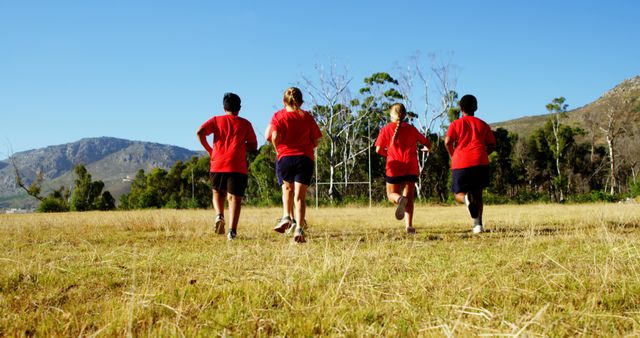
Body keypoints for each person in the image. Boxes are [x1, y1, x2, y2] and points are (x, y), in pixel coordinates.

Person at [197, 92, 258, 240]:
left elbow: (200, 132)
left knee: (217, 192)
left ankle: (219, 215)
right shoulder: (245, 124)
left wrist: (210, 150)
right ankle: (232, 231)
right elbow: (253, 146)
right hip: (237, 164)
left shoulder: (216, 120)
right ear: (239, 108)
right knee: (234, 198)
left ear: (224, 107)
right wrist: (245, 147)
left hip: (218, 162)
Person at [266, 87, 322, 243]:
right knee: (300, 197)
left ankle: (286, 216)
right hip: (304, 158)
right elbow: (316, 140)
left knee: (287, 190)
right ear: (301, 100)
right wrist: (308, 146)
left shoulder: (278, 116)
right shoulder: (307, 117)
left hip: (285, 158)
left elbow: (274, 135)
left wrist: (278, 149)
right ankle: (299, 229)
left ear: (284, 101)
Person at [375, 103, 431, 234]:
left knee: (391, 195)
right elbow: (427, 143)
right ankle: (409, 227)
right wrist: (427, 148)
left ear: (391, 115)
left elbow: (378, 150)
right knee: (409, 198)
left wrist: (387, 153)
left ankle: (399, 199)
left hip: (394, 167)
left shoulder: (386, 129)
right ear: (405, 115)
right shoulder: (412, 129)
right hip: (410, 167)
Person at [444, 94, 496, 234]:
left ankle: (466, 199)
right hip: (480, 161)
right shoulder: (483, 124)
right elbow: (492, 145)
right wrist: (484, 154)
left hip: (461, 161)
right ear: (476, 108)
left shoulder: (455, 124)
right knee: (478, 194)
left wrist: (453, 154)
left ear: (461, 109)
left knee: (458, 194)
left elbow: (447, 141)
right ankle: (478, 225)